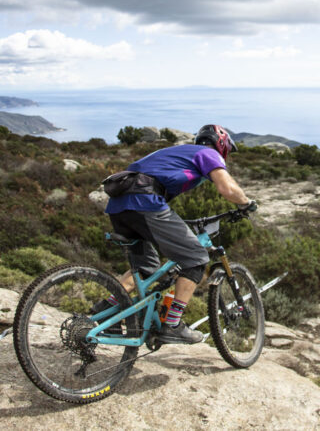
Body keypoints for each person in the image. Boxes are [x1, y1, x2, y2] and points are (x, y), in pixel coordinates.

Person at [99, 124, 255, 345]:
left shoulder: (175, 153)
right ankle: (172, 325)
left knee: (145, 269)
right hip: (144, 200)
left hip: (119, 203)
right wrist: (246, 204)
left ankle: (105, 311)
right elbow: (227, 189)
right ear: (221, 145)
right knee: (196, 259)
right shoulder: (208, 153)